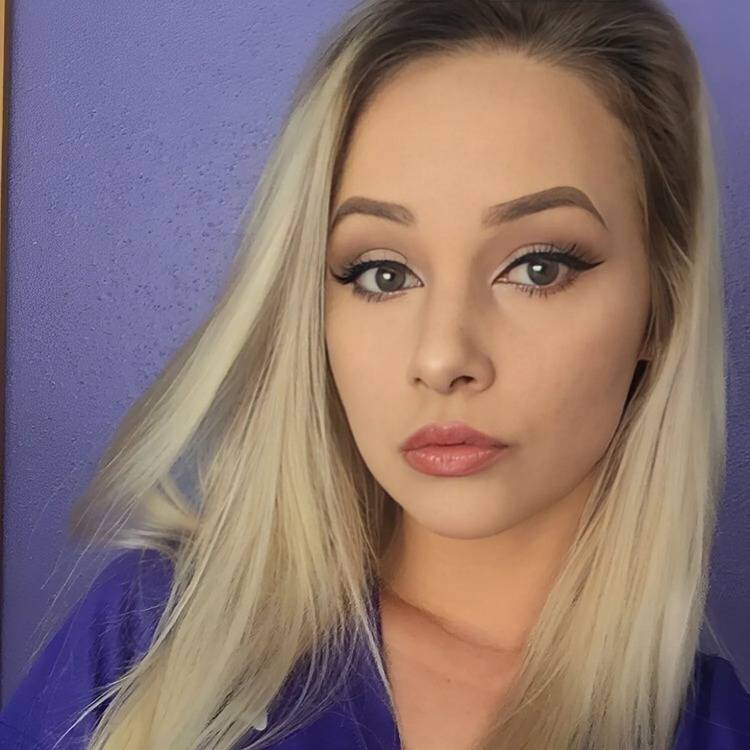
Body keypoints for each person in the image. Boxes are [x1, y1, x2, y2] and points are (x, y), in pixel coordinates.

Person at [1, 0, 748, 748]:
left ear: (662, 305)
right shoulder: (158, 639)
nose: (442, 358)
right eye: (383, 274)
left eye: (538, 267)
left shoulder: (715, 729)